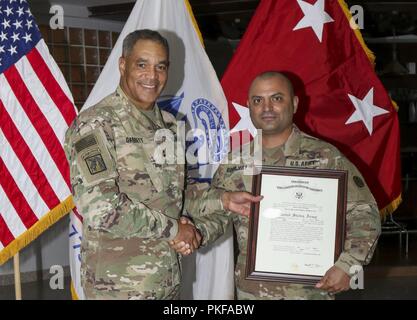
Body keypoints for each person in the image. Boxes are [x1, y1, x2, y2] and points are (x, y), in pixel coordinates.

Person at [64, 29, 259, 300]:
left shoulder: (169, 124)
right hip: (119, 287)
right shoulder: (96, 124)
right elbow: (102, 209)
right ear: (123, 65)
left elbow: (178, 195)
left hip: (166, 280)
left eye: (161, 67)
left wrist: (224, 200)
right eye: (142, 64)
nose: (152, 76)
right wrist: (175, 229)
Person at [176, 71, 381, 300]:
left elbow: (365, 213)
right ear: (249, 107)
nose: (267, 107)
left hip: (309, 292)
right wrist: (195, 233)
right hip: (251, 293)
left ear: (293, 103)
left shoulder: (326, 158)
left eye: (276, 98)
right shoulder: (234, 162)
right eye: (257, 100)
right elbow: (219, 217)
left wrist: (348, 266)